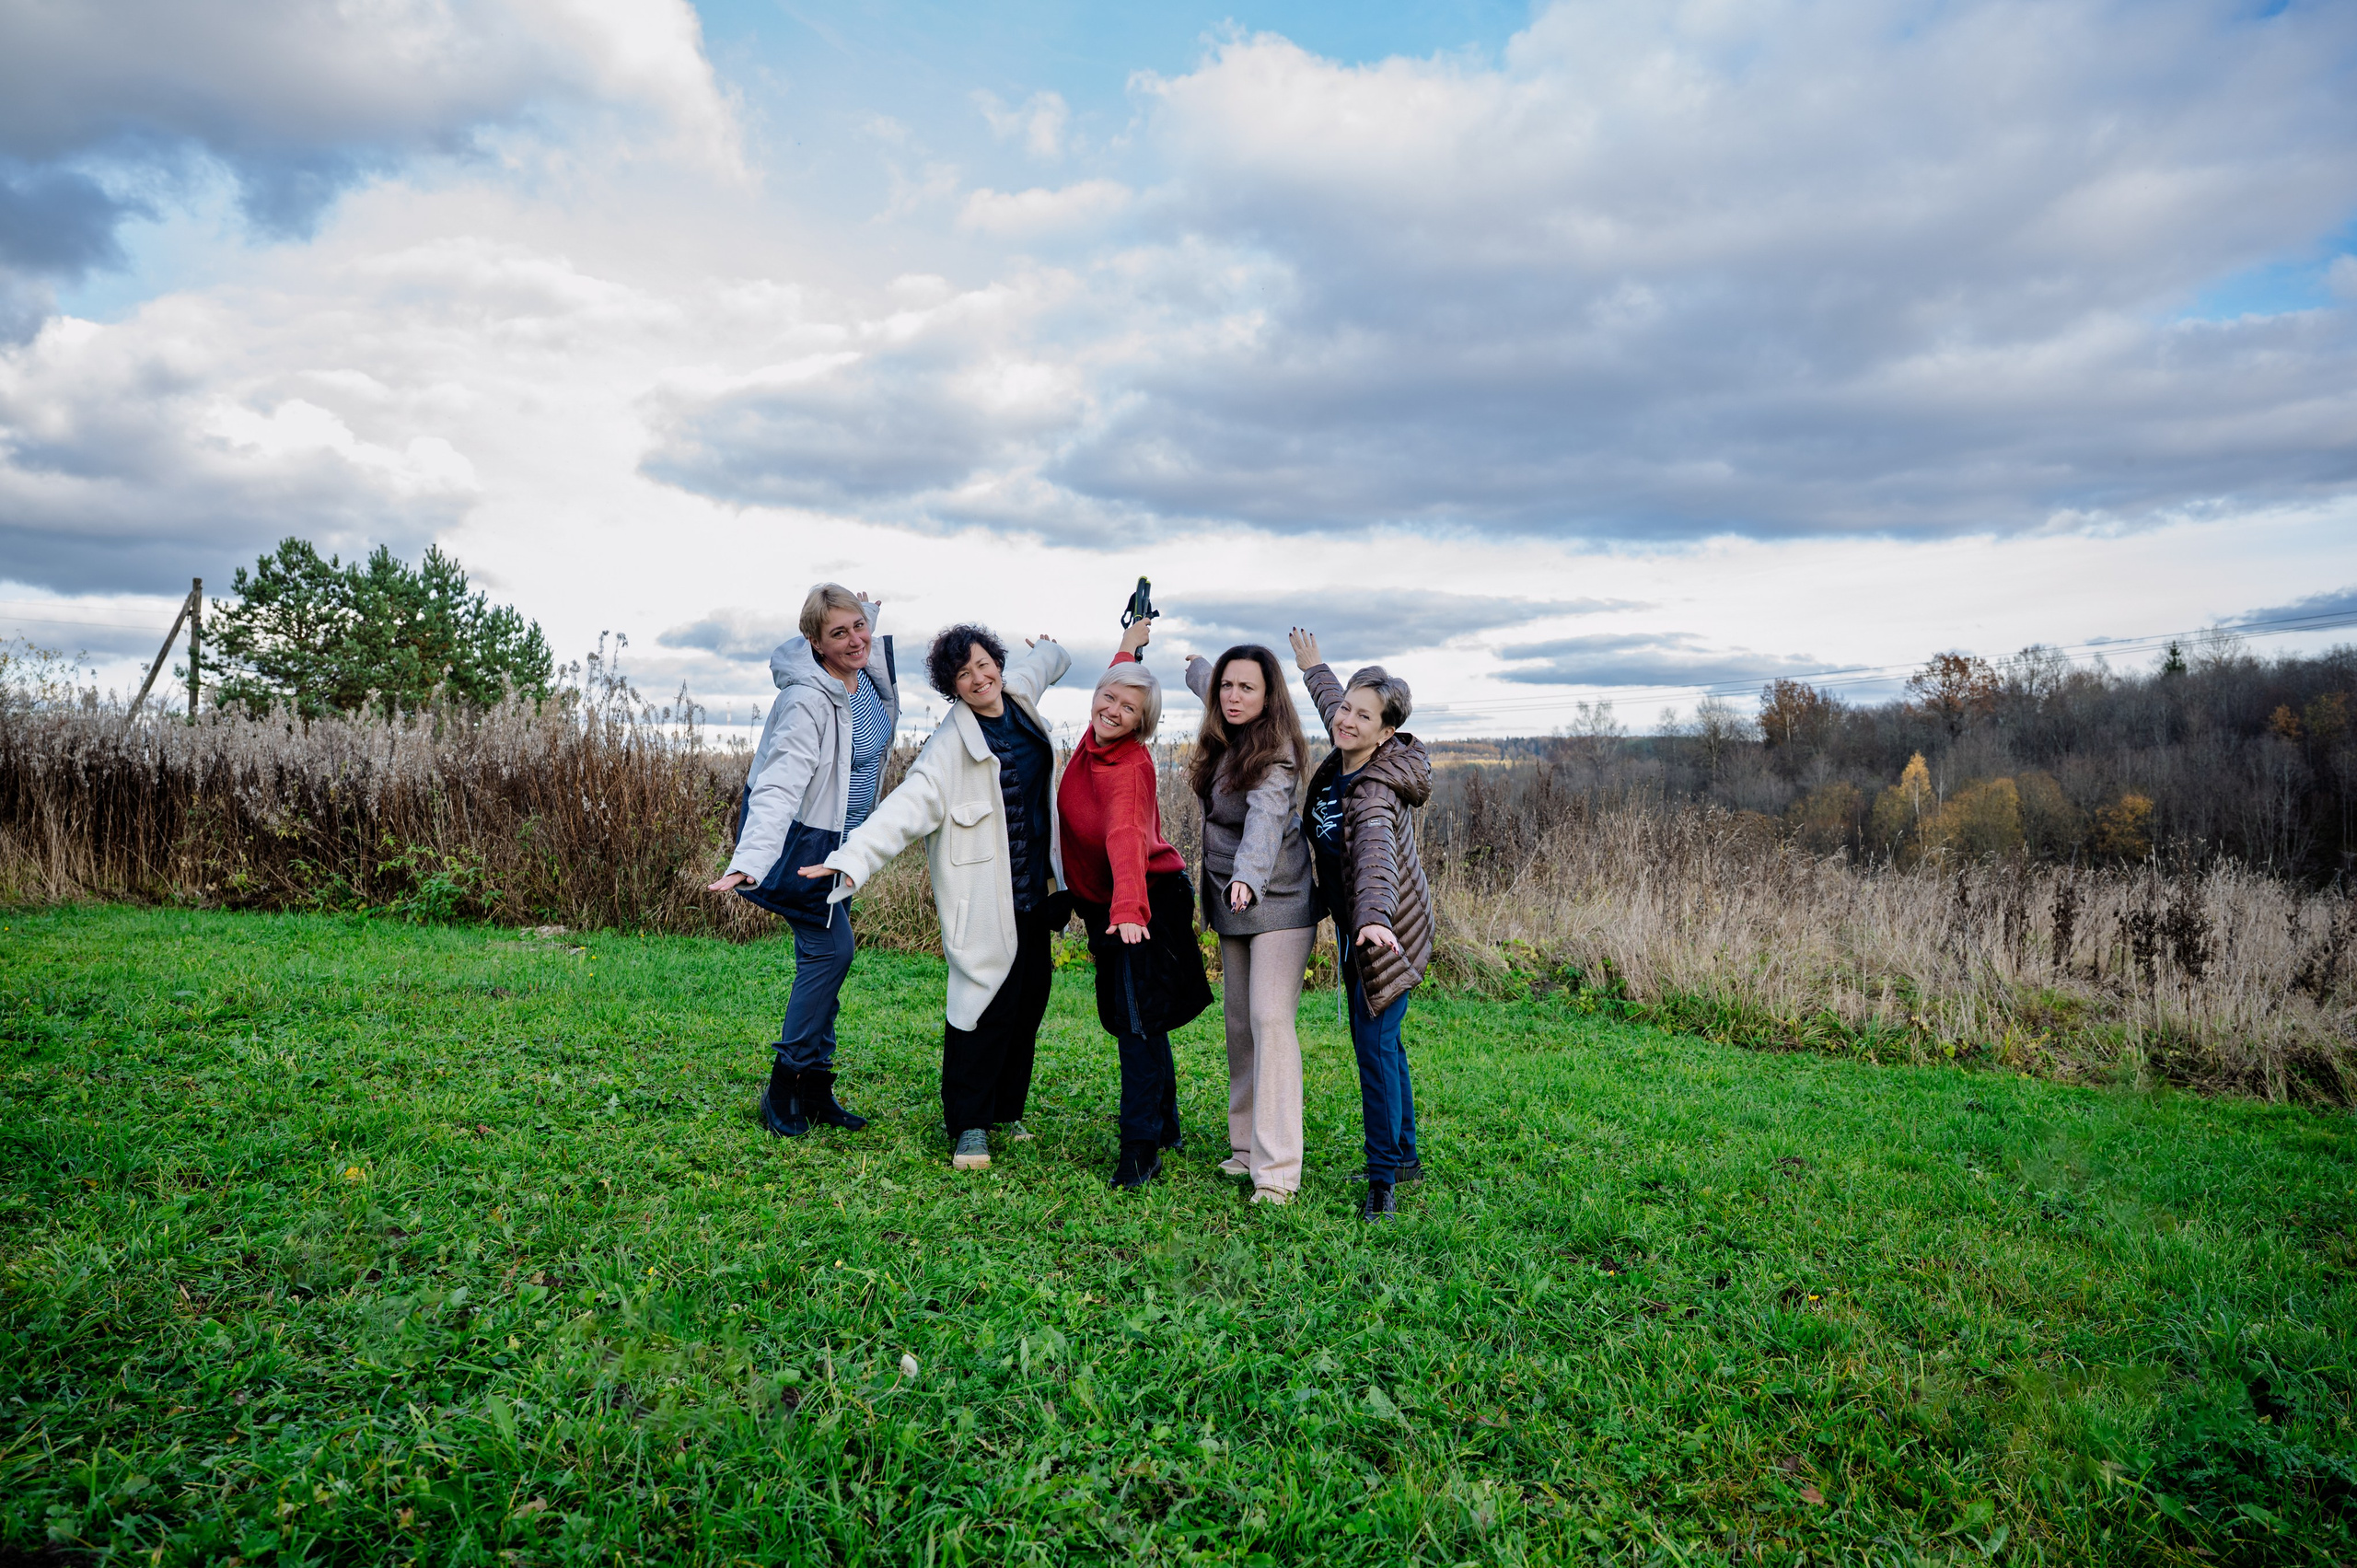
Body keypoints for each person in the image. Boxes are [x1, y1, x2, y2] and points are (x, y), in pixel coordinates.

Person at [798, 624, 1072, 1171]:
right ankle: (969, 1125)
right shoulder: (948, 748)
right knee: (980, 1009)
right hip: (985, 901)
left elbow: (1046, 665)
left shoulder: (1018, 695)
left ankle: (1005, 1110)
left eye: (984, 664)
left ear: (998, 663)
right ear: (952, 687)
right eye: (963, 674)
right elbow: (903, 809)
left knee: (1027, 1006)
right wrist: (850, 859)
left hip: (1036, 893)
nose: (979, 678)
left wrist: (1051, 647)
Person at [706, 585, 897, 1138]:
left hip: (845, 849)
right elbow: (780, 784)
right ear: (814, 642)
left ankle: (814, 1088)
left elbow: (854, 634)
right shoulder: (806, 701)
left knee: (825, 960)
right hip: (806, 845)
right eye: (839, 633)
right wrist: (752, 858)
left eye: (860, 626)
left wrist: (861, 612)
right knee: (831, 952)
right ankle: (785, 1084)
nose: (856, 639)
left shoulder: (864, 677)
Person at [1057, 613, 1213, 1189]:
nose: (1114, 710)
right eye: (1108, 697)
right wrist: (1129, 644)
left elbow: (1126, 836)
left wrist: (1127, 909)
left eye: (1129, 709)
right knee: (1139, 1016)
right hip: (1111, 905)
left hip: (1144, 900)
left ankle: (1141, 1149)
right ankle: (1165, 1126)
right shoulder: (1093, 739)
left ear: (1142, 724)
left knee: (1136, 1022)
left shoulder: (1127, 768)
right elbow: (1120, 678)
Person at [1288, 628, 1434, 1222]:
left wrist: (1372, 920)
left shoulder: (1373, 792)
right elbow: (1333, 705)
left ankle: (1382, 1182)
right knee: (1385, 1043)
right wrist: (1314, 668)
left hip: (1385, 931)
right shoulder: (1350, 750)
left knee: (1372, 1049)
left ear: (1386, 733)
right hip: (1364, 925)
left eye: (1362, 716)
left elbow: (1375, 860)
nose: (1346, 720)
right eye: (1346, 707)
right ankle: (1404, 1158)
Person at [1182, 645, 1315, 1205]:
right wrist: (1196, 667)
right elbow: (1209, 684)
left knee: (1269, 1019)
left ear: (1268, 697)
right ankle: (1245, 1149)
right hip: (1231, 901)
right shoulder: (1226, 720)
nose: (1233, 697)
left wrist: (1248, 877)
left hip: (1275, 897)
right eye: (1227, 686)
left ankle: (1278, 1172)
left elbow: (1265, 818)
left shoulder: (1276, 752)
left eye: (1246, 688)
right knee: (1239, 1026)